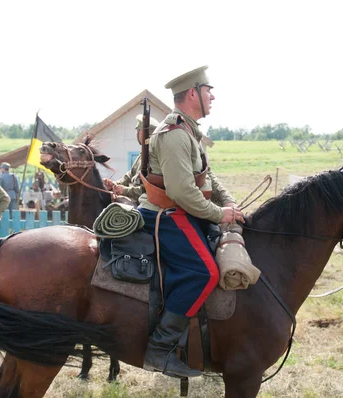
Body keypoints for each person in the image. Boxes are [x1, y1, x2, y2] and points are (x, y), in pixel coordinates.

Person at [138, 65, 244, 378]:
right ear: (194, 93)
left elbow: (205, 176)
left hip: (184, 210)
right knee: (205, 271)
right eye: (208, 90)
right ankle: (160, 347)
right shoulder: (173, 135)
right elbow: (182, 191)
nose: (213, 96)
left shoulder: (188, 131)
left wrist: (228, 202)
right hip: (167, 215)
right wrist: (217, 214)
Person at [103, 114, 159, 205]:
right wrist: (114, 184)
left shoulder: (153, 158)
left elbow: (147, 190)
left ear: (142, 133)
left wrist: (124, 191)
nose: (137, 133)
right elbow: (129, 176)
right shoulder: (142, 155)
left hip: (143, 203)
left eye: (139, 131)